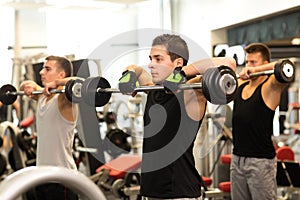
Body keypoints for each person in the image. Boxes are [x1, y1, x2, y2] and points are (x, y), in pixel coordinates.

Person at [118, 34, 236, 199]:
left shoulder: (191, 92)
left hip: (179, 192)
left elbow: (228, 63)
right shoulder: (155, 90)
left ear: (178, 63)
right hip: (150, 192)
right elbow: (136, 69)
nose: (151, 64)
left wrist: (182, 73)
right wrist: (129, 73)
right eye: (151, 58)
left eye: (158, 59)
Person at [230, 43, 291, 200]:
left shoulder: (270, 87)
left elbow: (286, 65)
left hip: (260, 163)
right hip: (237, 160)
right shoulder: (242, 84)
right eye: (247, 62)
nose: (248, 66)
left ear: (265, 64)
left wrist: (256, 71)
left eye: (253, 62)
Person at [20, 55, 78, 200]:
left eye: (47, 69)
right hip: (42, 177)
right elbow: (23, 85)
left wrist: (57, 83)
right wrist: (28, 85)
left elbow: (79, 82)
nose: (41, 72)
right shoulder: (42, 97)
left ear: (61, 74)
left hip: (63, 179)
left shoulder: (65, 99)